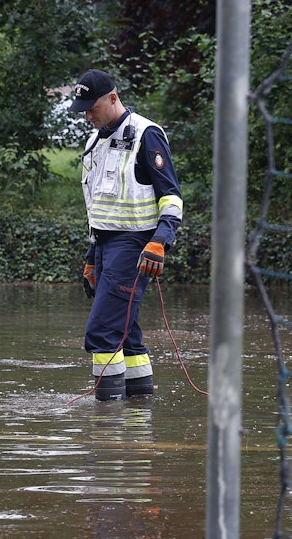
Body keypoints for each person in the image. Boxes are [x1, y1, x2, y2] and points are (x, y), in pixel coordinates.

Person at [68, 70, 183, 401]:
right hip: (104, 245)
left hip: (136, 244)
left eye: (92, 108)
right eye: (83, 110)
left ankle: (105, 423)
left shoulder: (146, 135)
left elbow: (171, 196)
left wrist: (160, 240)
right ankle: (139, 414)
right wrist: (92, 258)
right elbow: (98, 206)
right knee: (126, 333)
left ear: (113, 98)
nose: (88, 116)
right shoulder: (94, 143)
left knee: (102, 332)